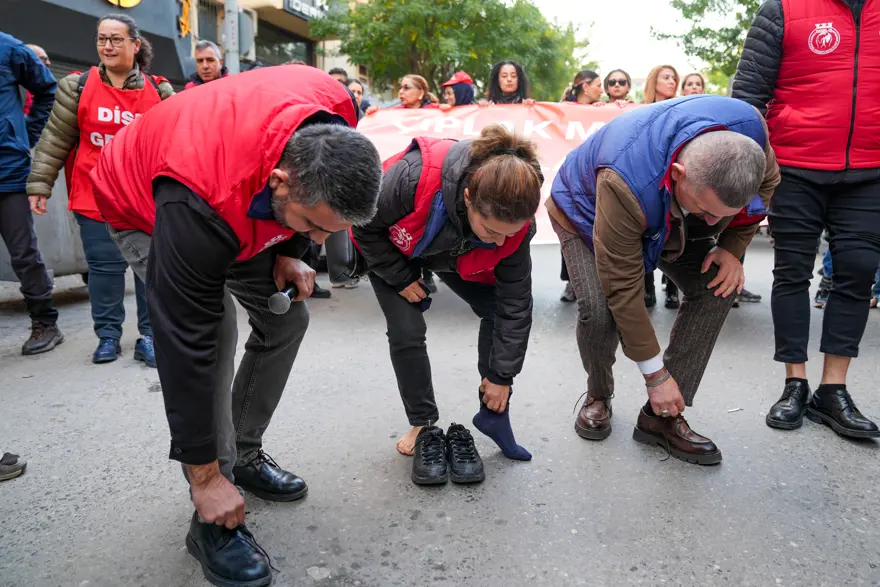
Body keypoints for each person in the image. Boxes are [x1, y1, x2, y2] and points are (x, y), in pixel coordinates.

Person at [89, 65, 382, 587]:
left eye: (328, 232)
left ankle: (242, 453)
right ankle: (213, 512)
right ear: (281, 182)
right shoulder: (197, 198)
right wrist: (203, 478)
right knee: (216, 328)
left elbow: (307, 213)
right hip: (144, 204)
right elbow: (186, 346)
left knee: (287, 315)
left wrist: (294, 247)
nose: (320, 238)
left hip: (241, 192)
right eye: (314, 226)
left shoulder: (335, 110)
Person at [548, 95, 780, 465]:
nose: (709, 222)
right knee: (598, 309)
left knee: (717, 285)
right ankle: (598, 394)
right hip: (587, 210)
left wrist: (732, 248)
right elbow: (623, 286)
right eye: (706, 210)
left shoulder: (753, 139)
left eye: (718, 215)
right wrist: (654, 375)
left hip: (668, 209)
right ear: (679, 173)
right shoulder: (624, 178)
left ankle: (662, 417)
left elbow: (767, 187)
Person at [353, 124, 542, 484]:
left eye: (511, 233)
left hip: (454, 252)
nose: (502, 240)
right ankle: (422, 424)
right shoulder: (410, 177)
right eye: (493, 231)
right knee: (407, 330)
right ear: (469, 197)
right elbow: (364, 225)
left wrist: (502, 376)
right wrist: (400, 276)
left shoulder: (513, 226)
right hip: (396, 247)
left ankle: (493, 415)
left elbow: (515, 303)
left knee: (496, 310)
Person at [733, 0, 880, 438]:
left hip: (870, 170)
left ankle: (833, 391)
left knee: (857, 271)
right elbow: (747, 97)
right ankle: (794, 383)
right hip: (794, 166)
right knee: (792, 272)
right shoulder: (783, 9)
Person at [27, 14, 173, 367]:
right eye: (102, 39)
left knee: (149, 270)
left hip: (143, 199)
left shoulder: (161, 91)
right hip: (95, 197)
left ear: (135, 46)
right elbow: (55, 140)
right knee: (104, 271)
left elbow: (176, 144)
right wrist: (39, 184)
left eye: (116, 39)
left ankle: (150, 336)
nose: (107, 46)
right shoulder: (75, 87)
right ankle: (107, 337)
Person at [0, 32, 61, 355]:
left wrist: (25, 134)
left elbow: (48, 91)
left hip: (7, 170)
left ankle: (45, 322)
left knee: (23, 253)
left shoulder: (9, 49)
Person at [643, 65, 682, 310]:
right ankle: (647, 288)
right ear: (653, 81)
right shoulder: (639, 110)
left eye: (673, 78)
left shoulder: (681, 108)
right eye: (665, 77)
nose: (671, 82)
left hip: (673, 177)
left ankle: (673, 288)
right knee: (643, 233)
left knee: (674, 231)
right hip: (647, 178)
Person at [22, 44, 51, 115]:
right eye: (43, 58)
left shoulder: (43, 88)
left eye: (48, 59)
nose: (48, 63)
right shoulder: (15, 86)